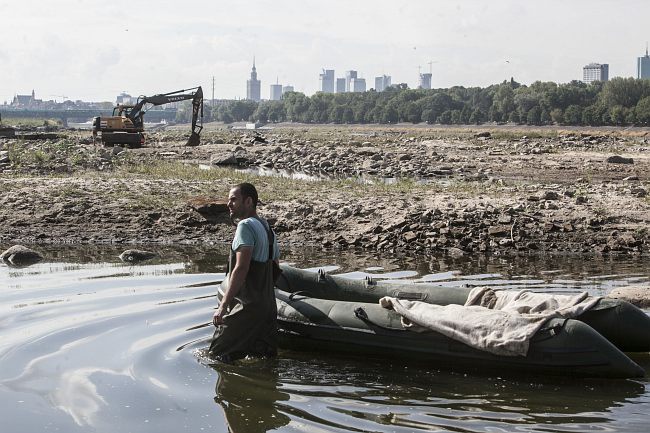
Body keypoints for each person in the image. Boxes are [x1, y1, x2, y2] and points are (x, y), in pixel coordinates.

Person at [209, 182, 280, 362]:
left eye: (234, 199)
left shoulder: (245, 226)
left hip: (248, 307)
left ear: (248, 201)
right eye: (228, 200)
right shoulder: (268, 229)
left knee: (216, 355)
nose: (229, 204)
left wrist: (223, 306)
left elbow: (241, 267)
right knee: (264, 362)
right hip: (269, 309)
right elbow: (276, 268)